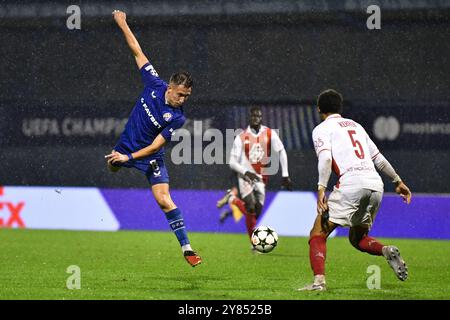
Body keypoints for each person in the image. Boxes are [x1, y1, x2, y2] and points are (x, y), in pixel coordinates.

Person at [105, 10, 201, 267]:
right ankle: (117, 160)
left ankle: (187, 248)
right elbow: (137, 50)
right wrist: (123, 23)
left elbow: (157, 146)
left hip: (150, 155)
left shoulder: (177, 117)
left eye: (187, 97)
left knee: (163, 200)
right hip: (125, 146)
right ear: (170, 88)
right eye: (181, 94)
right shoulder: (153, 83)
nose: (183, 100)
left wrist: (130, 157)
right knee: (112, 167)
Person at [299, 89, 412, 291]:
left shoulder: (322, 129)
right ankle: (386, 250)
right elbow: (378, 158)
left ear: (319, 109)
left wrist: (321, 188)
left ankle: (318, 283)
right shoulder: (356, 126)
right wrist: (397, 180)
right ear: (339, 108)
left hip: (351, 183)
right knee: (357, 238)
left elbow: (325, 158)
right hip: (376, 186)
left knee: (317, 234)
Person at [225, 106, 293, 249]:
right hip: (245, 177)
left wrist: (285, 174)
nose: (256, 118)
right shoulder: (241, 137)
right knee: (250, 207)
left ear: (261, 118)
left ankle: (234, 200)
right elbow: (232, 162)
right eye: (254, 116)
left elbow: (281, 151)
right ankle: (254, 243)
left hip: (261, 178)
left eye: (259, 116)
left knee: (256, 212)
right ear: (249, 118)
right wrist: (245, 172)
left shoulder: (269, 133)